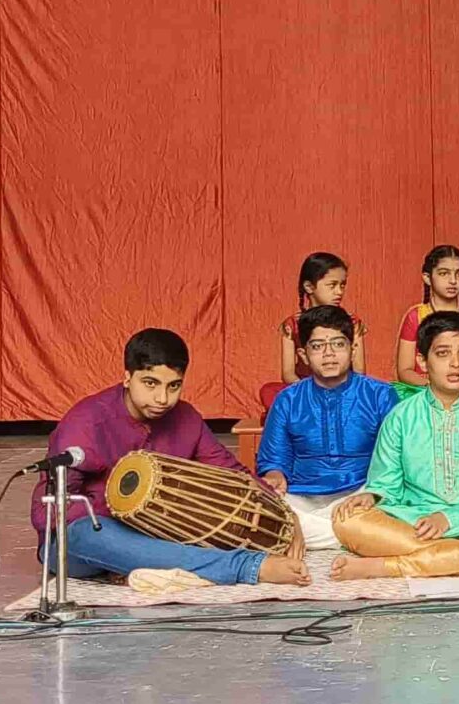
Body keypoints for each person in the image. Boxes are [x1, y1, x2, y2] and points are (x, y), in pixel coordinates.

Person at [35, 327, 308, 590]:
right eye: (150, 383)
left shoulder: (186, 418)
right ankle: (248, 567)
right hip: (84, 541)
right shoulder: (86, 422)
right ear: (127, 378)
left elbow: (232, 472)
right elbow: (48, 511)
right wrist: (127, 518)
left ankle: (149, 563)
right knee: (87, 533)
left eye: (174, 386)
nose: (163, 398)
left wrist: (285, 512)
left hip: (161, 534)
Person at [334, 314, 459, 577]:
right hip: (414, 522)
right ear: (422, 361)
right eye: (443, 353)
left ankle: (389, 566)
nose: (455, 363)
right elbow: (386, 485)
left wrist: (450, 518)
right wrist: (372, 495)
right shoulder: (401, 416)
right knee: (346, 520)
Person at [254, 305, 399, 551]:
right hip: (303, 498)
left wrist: (373, 493)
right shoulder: (288, 399)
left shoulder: (380, 395)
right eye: (318, 346)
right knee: (264, 508)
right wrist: (275, 474)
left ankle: (301, 533)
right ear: (303, 355)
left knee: (393, 501)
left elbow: (396, 459)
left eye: (338, 344)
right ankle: (353, 535)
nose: (329, 353)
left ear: (352, 349)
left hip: (361, 493)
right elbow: (274, 459)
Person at [395, 244, 459, 391]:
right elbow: (404, 370)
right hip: (425, 389)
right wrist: (435, 387)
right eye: (444, 273)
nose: (453, 281)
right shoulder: (415, 316)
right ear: (427, 278)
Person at [281, 252, 366, 384]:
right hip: (305, 388)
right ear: (309, 287)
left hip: (342, 387)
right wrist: (308, 392)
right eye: (332, 285)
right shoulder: (292, 325)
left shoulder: (352, 322)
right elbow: (288, 373)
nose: (339, 292)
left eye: (342, 285)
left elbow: (359, 370)